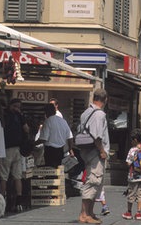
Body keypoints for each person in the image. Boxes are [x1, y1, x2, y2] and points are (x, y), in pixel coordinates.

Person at [77, 88, 109, 224]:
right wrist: (102, 150)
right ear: (105, 100)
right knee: (93, 181)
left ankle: (90, 213)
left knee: (95, 182)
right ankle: (84, 214)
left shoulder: (86, 112)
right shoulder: (99, 114)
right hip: (95, 153)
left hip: (87, 152)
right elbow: (97, 136)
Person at [0, 98, 30, 212]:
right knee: (17, 176)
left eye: (17, 107)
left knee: (3, 177)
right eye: (16, 106)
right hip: (18, 149)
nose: (17, 108)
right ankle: (19, 203)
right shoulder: (20, 116)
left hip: (6, 149)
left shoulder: (5, 115)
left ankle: (1, 202)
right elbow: (26, 129)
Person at [122, 128, 141, 220]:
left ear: (134, 140)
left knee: (131, 194)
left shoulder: (132, 150)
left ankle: (129, 212)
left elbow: (128, 163)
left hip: (133, 176)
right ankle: (138, 213)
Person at [35, 103, 74, 168]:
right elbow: (70, 137)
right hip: (60, 150)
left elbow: (44, 139)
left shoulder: (48, 121)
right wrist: (70, 149)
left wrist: (33, 144)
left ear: (46, 112)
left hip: (50, 151)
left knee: (50, 171)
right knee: (58, 170)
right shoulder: (63, 121)